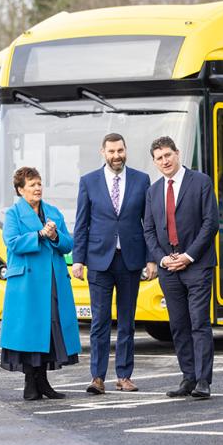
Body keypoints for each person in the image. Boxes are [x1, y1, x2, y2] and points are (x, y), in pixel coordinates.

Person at [72, 133, 156, 395]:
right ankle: (97, 377)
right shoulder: (88, 182)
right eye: (111, 151)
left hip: (130, 260)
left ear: (125, 150)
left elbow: (149, 224)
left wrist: (151, 258)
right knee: (99, 321)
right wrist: (78, 260)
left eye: (120, 150)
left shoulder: (142, 180)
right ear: (103, 152)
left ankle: (124, 375)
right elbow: (81, 224)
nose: (116, 155)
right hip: (98, 260)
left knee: (127, 321)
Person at [143, 136, 219, 399]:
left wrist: (188, 256)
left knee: (199, 323)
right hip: (168, 267)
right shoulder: (153, 191)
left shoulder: (201, 182)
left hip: (196, 265)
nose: (164, 161)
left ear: (177, 153)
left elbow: (211, 224)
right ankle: (188, 377)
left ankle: (203, 381)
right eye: (159, 158)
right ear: (154, 162)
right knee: (178, 324)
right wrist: (162, 259)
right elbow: (149, 230)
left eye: (168, 155)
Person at [0, 167, 81, 400]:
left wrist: (55, 236)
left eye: (39, 183)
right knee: (29, 331)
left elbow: (68, 244)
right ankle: (30, 383)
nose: (37, 188)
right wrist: (39, 235)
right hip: (26, 281)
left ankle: (43, 382)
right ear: (20, 189)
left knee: (49, 329)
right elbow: (12, 242)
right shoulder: (13, 214)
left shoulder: (53, 211)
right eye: (32, 184)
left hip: (53, 279)